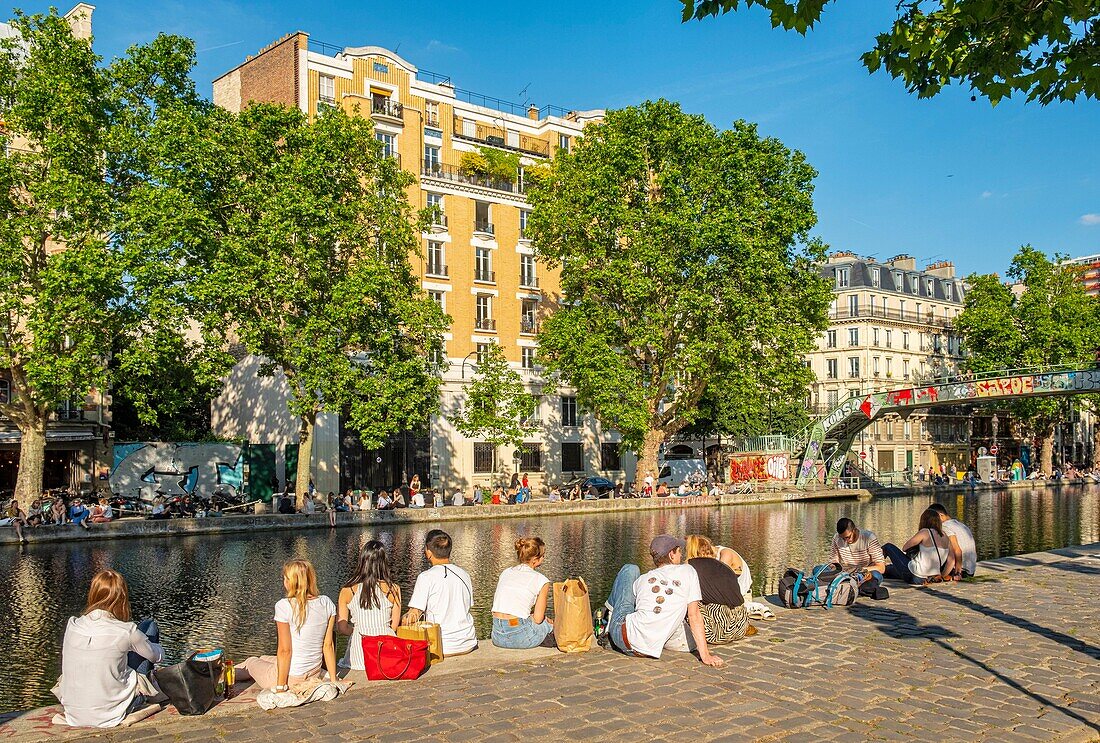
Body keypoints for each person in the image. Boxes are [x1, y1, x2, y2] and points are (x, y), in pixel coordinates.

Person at [56, 570, 164, 727]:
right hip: (110, 714)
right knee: (149, 627)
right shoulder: (127, 630)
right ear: (122, 598)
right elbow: (157, 657)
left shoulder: (73, 625)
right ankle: (149, 686)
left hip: (74, 713)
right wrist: (144, 643)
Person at [604, 535, 723, 667]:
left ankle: (606, 623)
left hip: (623, 638)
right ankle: (607, 624)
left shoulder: (643, 579)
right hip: (647, 650)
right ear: (671, 555)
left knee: (630, 569)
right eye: (679, 551)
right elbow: (694, 615)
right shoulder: (688, 571)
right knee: (630, 571)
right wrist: (705, 655)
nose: (681, 555)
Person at [237, 560, 338, 691]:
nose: (284, 581)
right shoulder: (326, 602)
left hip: (292, 678)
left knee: (251, 662)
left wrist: (280, 687)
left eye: (285, 578)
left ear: (291, 582)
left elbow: (285, 650)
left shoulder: (284, 606)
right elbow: (328, 645)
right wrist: (333, 679)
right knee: (263, 658)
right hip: (314, 672)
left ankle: (222, 676)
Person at [402, 530, 477, 656]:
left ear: (428, 552)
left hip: (441, 645)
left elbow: (413, 615)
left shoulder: (426, 577)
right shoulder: (464, 574)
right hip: (468, 642)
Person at [336, 540, 401, 670]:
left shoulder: (347, 590)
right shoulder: (393, 589)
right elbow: (393, 626)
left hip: (359, 655)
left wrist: (359, 632)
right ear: (384, 563)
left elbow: (342, 628)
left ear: (362, 561)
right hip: (386, 653)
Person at [684, 535, 752, 644]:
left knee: (692, 600)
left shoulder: (725, 555)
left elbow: (715, 583)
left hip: (721, 630)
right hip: (738, 620)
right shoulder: (716, 562)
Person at [491, 537, 553, 649]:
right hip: (520, 636)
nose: (544, 558)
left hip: (497, 635)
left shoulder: (506, 572)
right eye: (543, 556)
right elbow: (538, 619)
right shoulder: (542, 580)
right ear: (535, 559)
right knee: (548, 624)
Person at [883, 508, 956, 585]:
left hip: (915, 575)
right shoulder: (945, 536)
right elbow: (951, 561)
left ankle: (876, 563)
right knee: (890, 570)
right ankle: (883, 569)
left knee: (888, 547)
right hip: (929, 577)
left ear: (924, 521)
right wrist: (942, 575)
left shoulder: (925, 532)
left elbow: (905, 547)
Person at [830, 517, 886, 598]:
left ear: (854, 530)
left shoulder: (869, 537)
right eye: (842, 538)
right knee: (817, 569)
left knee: (877, 575)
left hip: (863, 574)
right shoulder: (836, 538)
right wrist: (835, 568)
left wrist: (860, 570)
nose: (845, 541)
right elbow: (833, 561)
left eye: (847, 537)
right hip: (844, 574)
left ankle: (850, 586)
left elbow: (881, 568)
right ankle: (851, 586)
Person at [929, 503, 977, 578]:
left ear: (940, 515)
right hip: (971, 570)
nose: (932, 522)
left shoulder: (945, 527)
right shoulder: (961, 525)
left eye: (932, 518)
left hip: (961, 570)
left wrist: (957, 573)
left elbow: (957, 550)